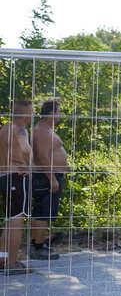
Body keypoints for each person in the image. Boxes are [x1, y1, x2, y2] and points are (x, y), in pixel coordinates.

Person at [0, 100, 34, 274]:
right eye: (31, 112)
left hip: (5, 177)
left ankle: (2, 259)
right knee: (17, 220)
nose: (33, 115)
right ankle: (11, 264)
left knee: (10, 219)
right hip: (17, 178)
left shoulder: (4, 129)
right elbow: (26, 149)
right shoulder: (20, 129)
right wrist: (29, 166)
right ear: (24, 114)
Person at [30, 100, 66, 260]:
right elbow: (42, 157)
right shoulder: (42, 131)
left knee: (46, 212)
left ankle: (40, 243)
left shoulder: (46, 129)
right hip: (45, 177)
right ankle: (37, 248)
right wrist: (51, 178)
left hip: (50, 175)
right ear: (51, 113)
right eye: (58, 112)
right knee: (42, 212)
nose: (60, 115)